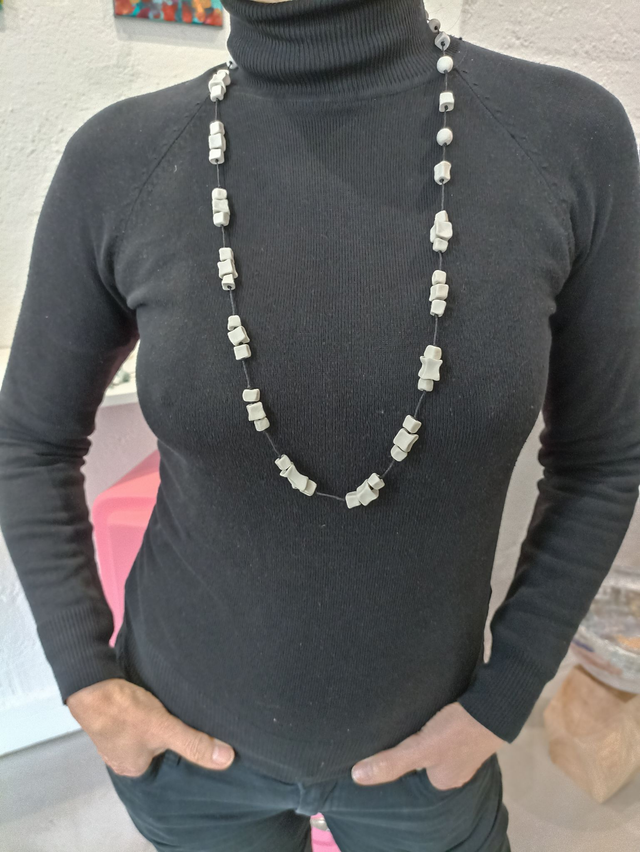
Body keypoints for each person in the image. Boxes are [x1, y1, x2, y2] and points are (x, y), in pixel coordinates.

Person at [1, 0, 639, 849]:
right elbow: (29, 440)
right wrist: (87, 682)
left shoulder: (567, 140)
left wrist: (504, 700)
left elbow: (603, 457)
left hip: (432, 757)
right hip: (184, 753)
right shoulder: (120, 159)